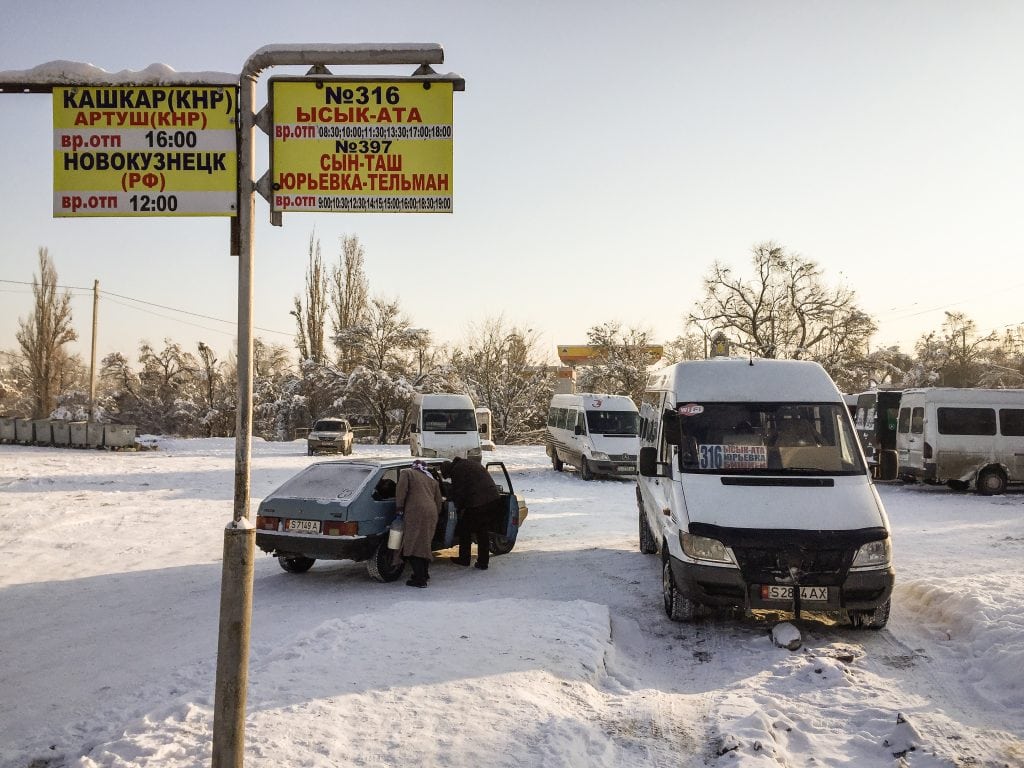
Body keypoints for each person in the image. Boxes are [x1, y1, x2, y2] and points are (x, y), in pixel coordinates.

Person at [440, 456, 502, 571]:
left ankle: (464, 559)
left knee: (464, 529)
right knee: (482, 531)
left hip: (479, 502)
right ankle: (483, 562)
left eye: (448, 476)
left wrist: (456, 507)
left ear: (448, 471)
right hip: (493, 499)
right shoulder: (466, 464)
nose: (449, 478)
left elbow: (460, 493)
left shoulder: (457, 471)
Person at [394, 460, 442, 588]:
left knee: (412, 544)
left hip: (416, 511)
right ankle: (424, 574)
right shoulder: (432, 480)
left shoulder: (407, 473)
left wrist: (399, 507)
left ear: (413, 467)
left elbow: (401, 490)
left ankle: (420, 580)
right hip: (431, 512)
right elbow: (438, 501)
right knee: (424, 544)